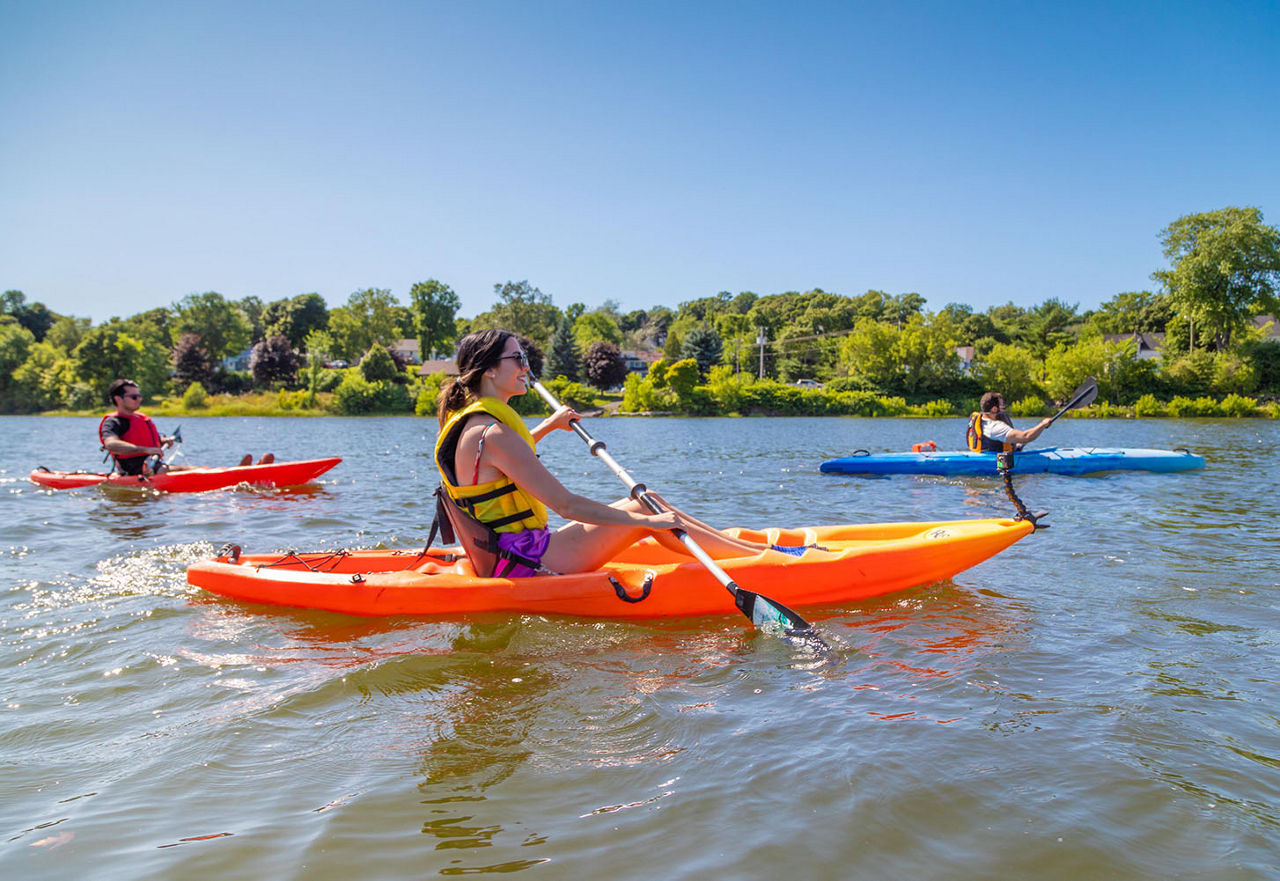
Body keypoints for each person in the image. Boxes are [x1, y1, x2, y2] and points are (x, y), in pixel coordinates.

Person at [433, 330, 805, 578]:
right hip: (527, 561)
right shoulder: (494, 433)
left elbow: (504, 465)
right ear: (489, 370)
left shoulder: (478, 426)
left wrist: (549, 426)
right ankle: (764, 564)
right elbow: (567, 505)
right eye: (517, 359)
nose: (526, 368)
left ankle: (756, 550)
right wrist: (651, 525)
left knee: (649, 499)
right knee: (649, 511)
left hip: (514, 552)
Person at [99, 379, 273, 475]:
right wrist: (147, 448)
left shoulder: (140, 419)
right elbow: (111, 444)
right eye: (134, 396)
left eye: (139, 396)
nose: (139, 399)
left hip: (156, 468)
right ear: (118, 399)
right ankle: (235, 475)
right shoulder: (114, 422)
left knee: (198, 469)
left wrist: (162, 441)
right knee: (194, 471)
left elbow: (141, 437)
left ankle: (239, 472)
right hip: (136, 473)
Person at [967, 391, 1054, 453]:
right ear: (994, 409)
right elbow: (1026, 436)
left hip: (986, 454)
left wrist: (1016, 445)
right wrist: (1043, 424)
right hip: (997, 463)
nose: (1004, 409)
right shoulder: (995, 427)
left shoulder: (983, 420)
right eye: (1002, 406)